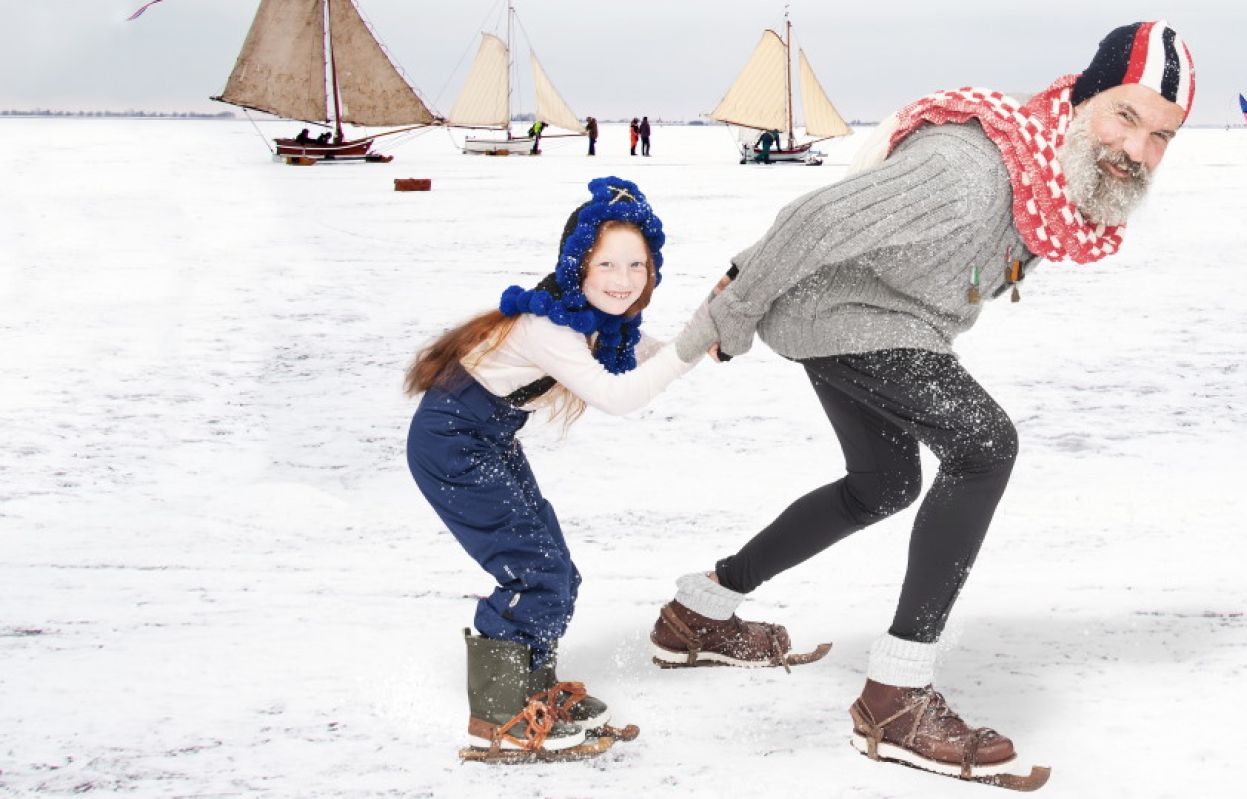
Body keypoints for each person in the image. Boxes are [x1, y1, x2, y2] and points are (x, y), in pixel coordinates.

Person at [653, 20, 1195, 788]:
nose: (1136, 151)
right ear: (1082, 97)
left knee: (882, 484)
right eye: (1125, 115)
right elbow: (814, 220)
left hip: (880, 316)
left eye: (1162, 136)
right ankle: (894, 696)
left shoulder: (1050, 183)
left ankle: (699, 611)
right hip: (842, 313)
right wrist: (728, 316)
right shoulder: (968, 171)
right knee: (983, 445)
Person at [405, 177, 716, 755]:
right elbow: (620, 396)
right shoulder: (551, 326)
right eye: (607, 264)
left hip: (487, 438)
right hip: (452, 442)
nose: (623, 281)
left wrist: (708, 330)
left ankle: (534, 689)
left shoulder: (590, 318)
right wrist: (687, 349)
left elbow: (658, 353)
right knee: (535, 571)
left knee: (557, 570)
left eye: (637, 265)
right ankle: (500, 716)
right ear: (578, 264)